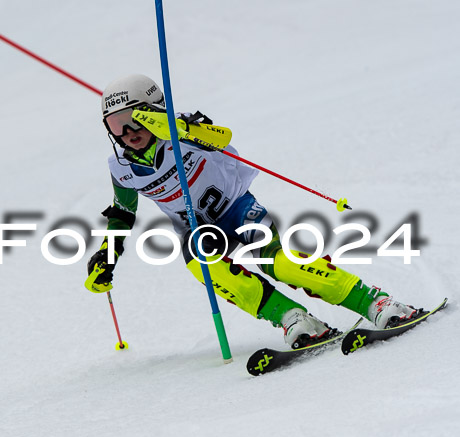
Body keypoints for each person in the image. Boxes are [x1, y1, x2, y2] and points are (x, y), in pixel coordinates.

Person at [85, 74, 419, 349]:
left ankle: (374, 302)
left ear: (154, 111)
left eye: (133, 119)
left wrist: (179, 126)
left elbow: (221, 136)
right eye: (116, 126)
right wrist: (107, 253)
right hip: (198, 232)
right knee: (206, 270)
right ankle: (293, 318)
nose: (128, 133)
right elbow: (122, 211)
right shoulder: (121, 167)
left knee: (283, 264)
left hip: (236, 209)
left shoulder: (184, 133)